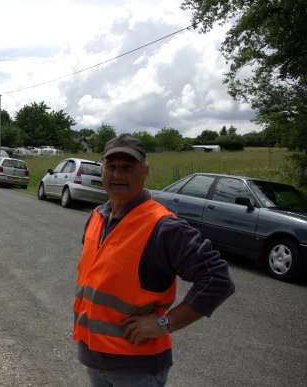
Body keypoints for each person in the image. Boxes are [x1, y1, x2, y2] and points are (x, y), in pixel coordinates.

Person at [73, 134, 235, 387]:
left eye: (128, 167)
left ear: (145, 171)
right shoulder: (97, 216)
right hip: (94, 359)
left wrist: (164, 323)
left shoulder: (163, 226)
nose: (117, 175)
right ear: (102, 169)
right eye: (111, 167)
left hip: (137, 369)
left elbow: (217, 279)